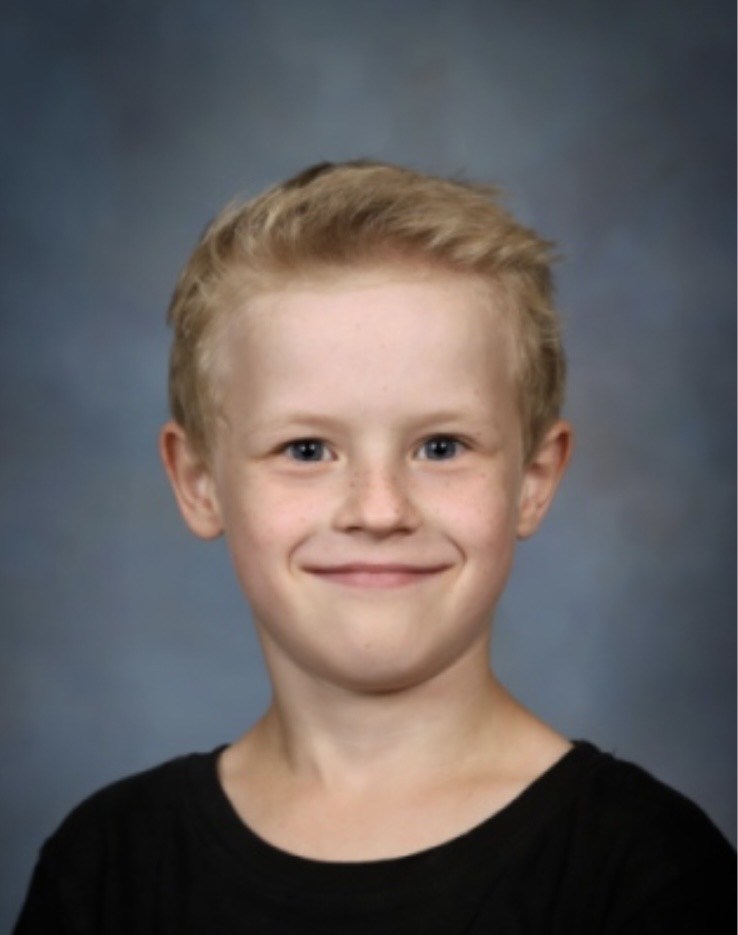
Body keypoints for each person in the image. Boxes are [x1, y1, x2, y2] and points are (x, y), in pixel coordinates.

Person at [14, 161, 734, 933]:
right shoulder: (109, 865)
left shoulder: (648, 867)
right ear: (199, 482)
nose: (379, 509)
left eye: (441, 446)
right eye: (306, 450)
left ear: (532, 479)